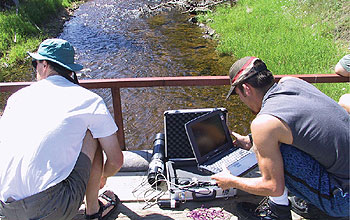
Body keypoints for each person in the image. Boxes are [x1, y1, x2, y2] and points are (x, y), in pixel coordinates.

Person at [0, 38, 124, 220]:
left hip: (5, 208)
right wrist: (101, 176)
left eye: (35, 63)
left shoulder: (16, 99)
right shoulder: (89, 100)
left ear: (44, 66)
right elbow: (116, 160)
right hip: (51, 209)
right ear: (70, 70)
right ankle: (93, 210)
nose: (35, 68)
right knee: (92, 133)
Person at [211, 57, 349, 219]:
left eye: (238, 94)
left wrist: (231, 181)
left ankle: (277, 214)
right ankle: (312, 202)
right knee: (276, 143)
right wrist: (250, 141)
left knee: (277, 152)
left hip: (344, 200)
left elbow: (273, 187)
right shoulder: (292, 83)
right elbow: (300, 126)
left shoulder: (263, 123)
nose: (241, 100)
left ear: (246, 89)